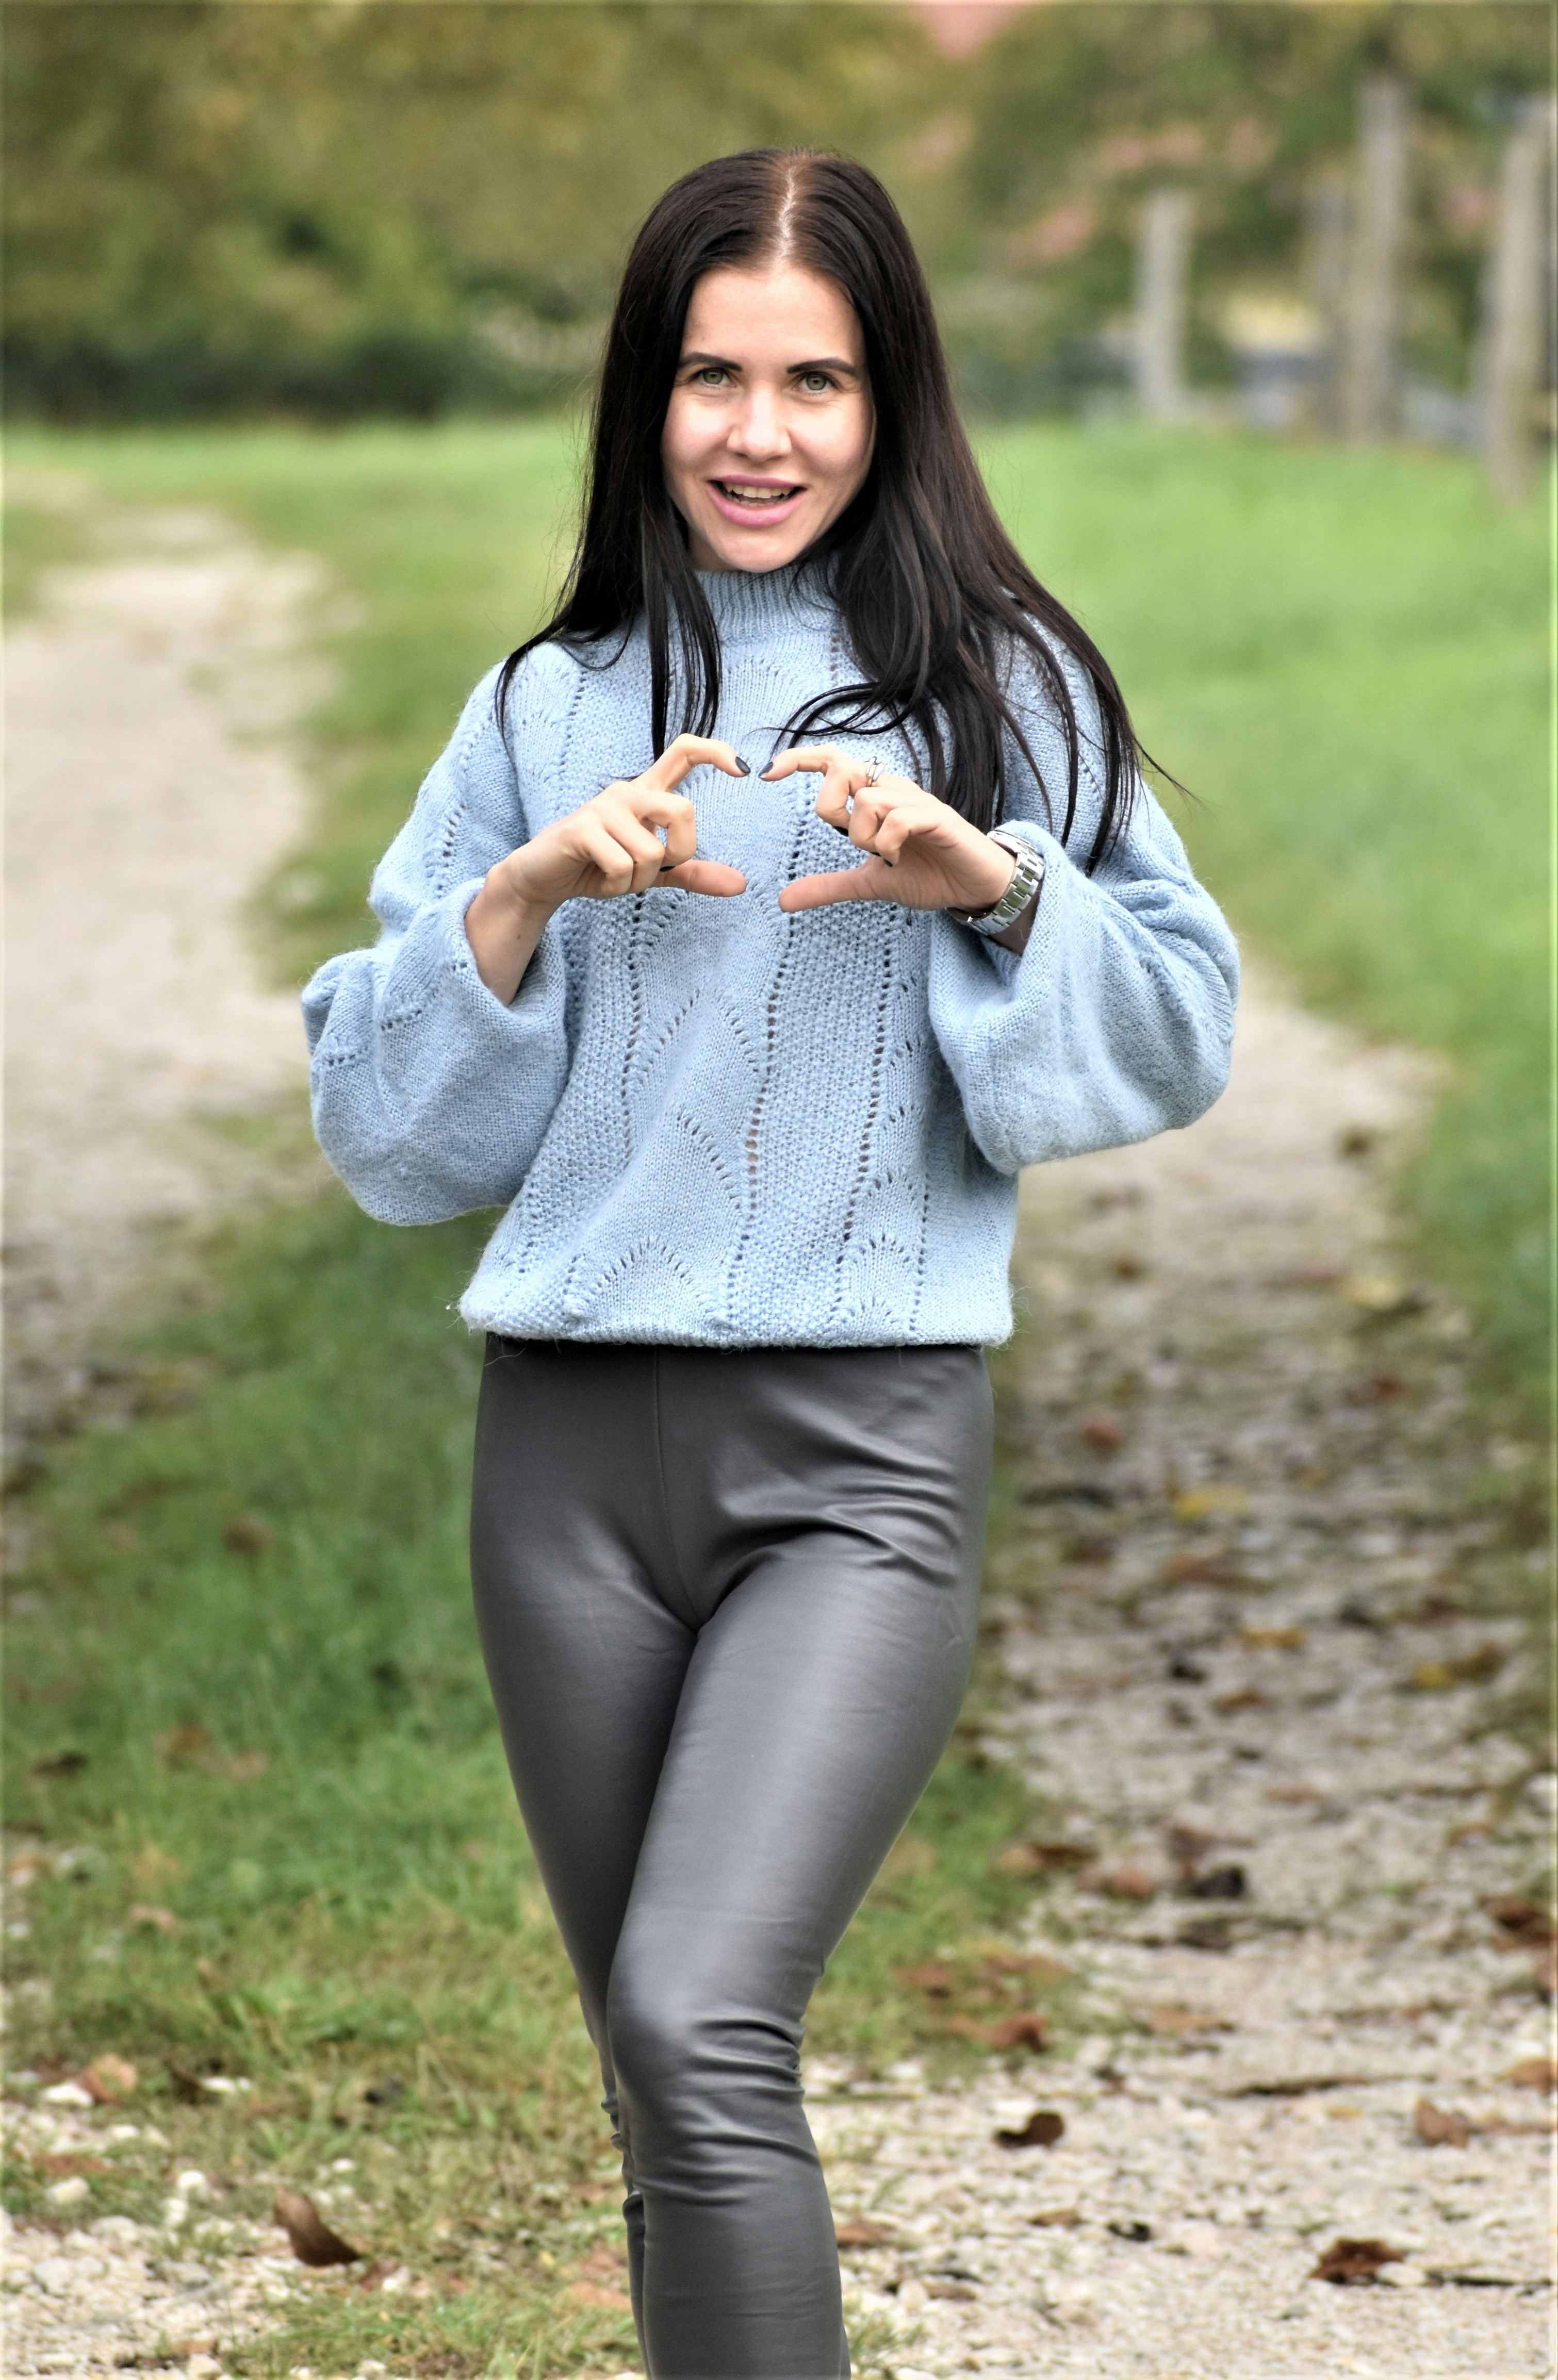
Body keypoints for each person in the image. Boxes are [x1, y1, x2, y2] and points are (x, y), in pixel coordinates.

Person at [303, 146, 1238, 2380]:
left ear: (893, 400)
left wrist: (994, 882)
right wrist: (518, 899)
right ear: (646, 395)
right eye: (712, 374)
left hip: (860, 1459)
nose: (758, 429)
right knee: (667, 2080)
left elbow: (1184, 1018)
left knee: (697, 2009)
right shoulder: (546, 702)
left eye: (814, 379)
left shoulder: (1008, 692)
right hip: (565, 1466)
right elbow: (383, 1124)